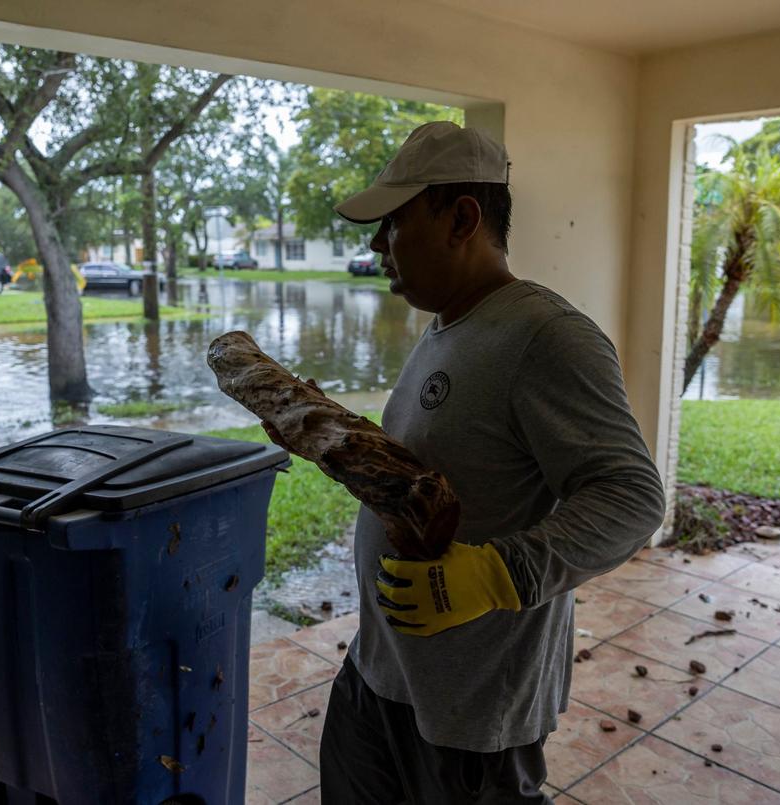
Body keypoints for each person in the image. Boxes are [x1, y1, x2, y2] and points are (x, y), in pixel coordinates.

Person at [266, 121, 666, 803]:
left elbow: (632, 497)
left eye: (392, 222)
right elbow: (430, 470)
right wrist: (331, 438)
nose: (375, 245)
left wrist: (495, 571)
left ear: (462, 218)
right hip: (378, 674)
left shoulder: (549, 337)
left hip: (471, 716)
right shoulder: (447, 323)